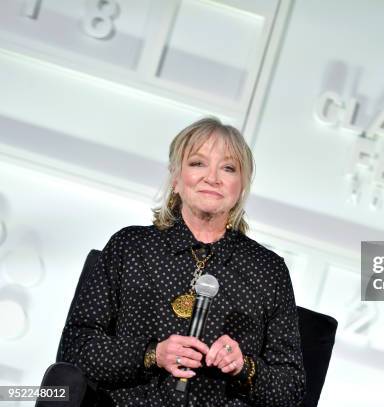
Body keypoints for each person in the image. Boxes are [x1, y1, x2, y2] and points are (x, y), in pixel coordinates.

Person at [58, 117, 305, 406]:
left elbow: (292, 391)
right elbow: (75, 349)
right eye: (198, 163)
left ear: (241, 187)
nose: (212, 178)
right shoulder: (130, 246)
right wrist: (152, 354)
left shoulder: (268, 271)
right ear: (175, 179)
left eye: (228, 168)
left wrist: (244, 368)